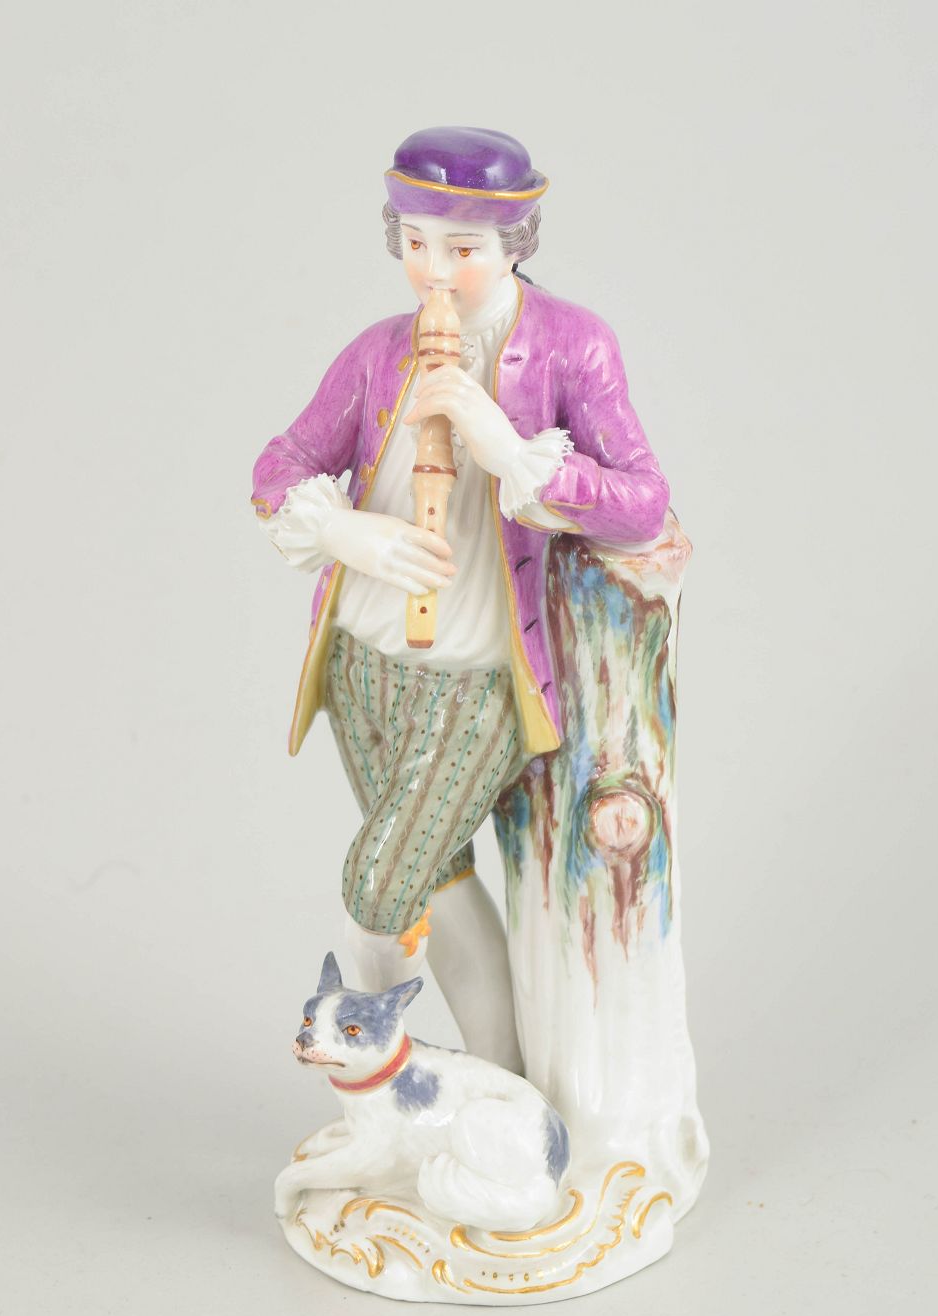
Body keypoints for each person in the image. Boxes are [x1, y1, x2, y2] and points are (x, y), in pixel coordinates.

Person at [252, 127, 670, 1070]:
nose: (434, 271)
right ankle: (501, 1082)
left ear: (515, 244)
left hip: (473, 673)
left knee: (378, 884)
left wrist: (506, 449)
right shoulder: (378, 352)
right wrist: (345, 533)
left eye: (463, 249)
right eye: (415, 244)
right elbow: (281, 464)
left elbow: (644, 501)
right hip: (362, 660)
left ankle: (368, 1068)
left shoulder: (572, 347)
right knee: (438, 881)